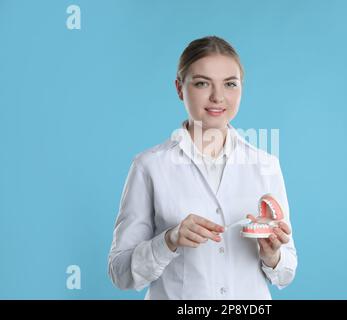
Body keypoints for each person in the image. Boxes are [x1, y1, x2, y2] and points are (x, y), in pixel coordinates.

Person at [108, 35, 298, 299]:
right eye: (201, 83)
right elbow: (120, 273)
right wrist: (169, 241)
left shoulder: (266, 164)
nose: (218, 97)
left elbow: (286, 273)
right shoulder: (149, 166)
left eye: (230, 84)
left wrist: (272, 254)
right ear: (179, 88)